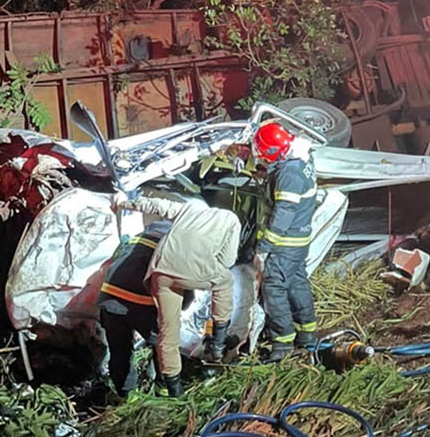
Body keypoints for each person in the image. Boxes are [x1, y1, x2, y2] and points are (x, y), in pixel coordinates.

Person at [113, 193, 241, 397]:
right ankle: (218, 343)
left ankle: (175, 392)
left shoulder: (188, 209)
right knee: (225, 281)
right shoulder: (231, 219)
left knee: (168, 331)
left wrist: (125, 203)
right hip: (192, 271)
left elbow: (156, 206)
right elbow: (227, 260)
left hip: (161, 271)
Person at [252, 122, 319, 361]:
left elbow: (284, 211)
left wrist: (266, 245)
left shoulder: (288, 174)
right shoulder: (301, 159)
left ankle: (282, 342)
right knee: (297, 282)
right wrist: (267, 175)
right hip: (300, 240)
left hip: (285, 242)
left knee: (274, 288)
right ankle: (307, 333)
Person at [97, 221, 170, 398]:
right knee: (164, 344)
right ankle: (165, 390)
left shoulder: (133, 241)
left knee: (119, 352)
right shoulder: (170, 248)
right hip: (141, 304)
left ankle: (127, 396)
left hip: (109, 300)